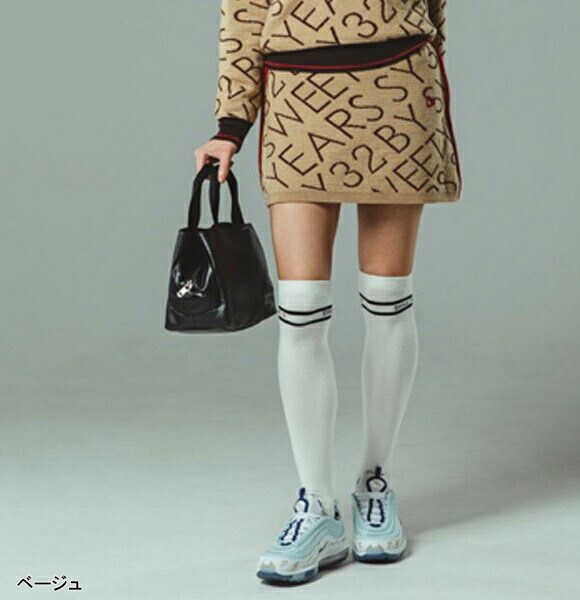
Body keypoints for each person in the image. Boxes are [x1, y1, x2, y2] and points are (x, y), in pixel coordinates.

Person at [194, 0, 461, 585]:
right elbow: (242, 14)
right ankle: (317, 505)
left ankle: (375, 483)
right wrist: (230, 124)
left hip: (399, 93)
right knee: (301, 312)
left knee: (388, 299)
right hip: (297, 103)